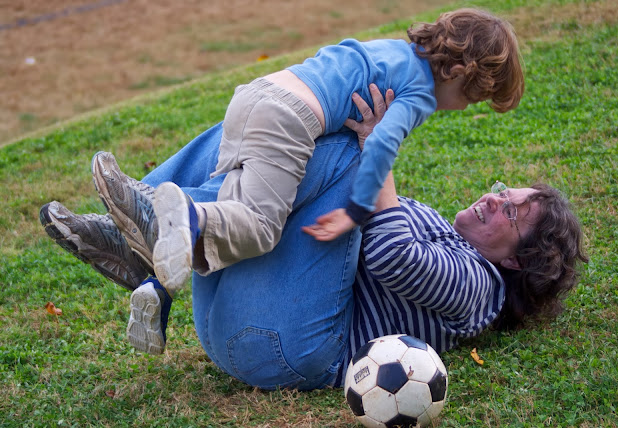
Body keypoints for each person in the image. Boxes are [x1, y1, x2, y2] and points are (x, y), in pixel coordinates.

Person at [40, 85, 587, 390]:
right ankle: (137, 238)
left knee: (346, 148)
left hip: (289, 347)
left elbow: (391, 255)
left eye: (512, 213)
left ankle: (163, 228)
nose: (494, 199)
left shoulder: (480, 290)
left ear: (517, 262)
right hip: (235, 320)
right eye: (504, 191)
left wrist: (378, 149)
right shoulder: (446, 233)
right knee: (262, 129)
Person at [90, 8, 525, 306]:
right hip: (290, 119)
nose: (462, 109)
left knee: (229, 198)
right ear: (459, 73)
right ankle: (178, 215)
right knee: (258, 226)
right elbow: (378, 147)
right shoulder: (420, 92)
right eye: (472, 99)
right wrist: (353, 213)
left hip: (257, 94)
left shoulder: (391, 51)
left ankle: (126, 245)